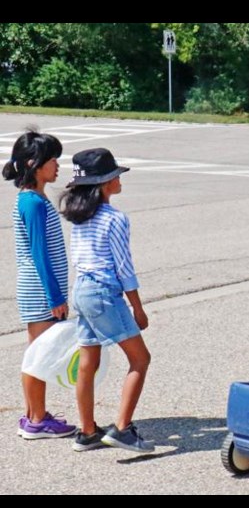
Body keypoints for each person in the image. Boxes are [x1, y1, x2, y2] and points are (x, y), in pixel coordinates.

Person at [60, 148, 154, 453]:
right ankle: (123, 429)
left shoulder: (79, 217)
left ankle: (87, 431)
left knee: (89, 360)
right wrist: (137, 307)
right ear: (103, 184)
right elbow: (124, 267)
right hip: (103, 292)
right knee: (140, 359)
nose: (118, 178)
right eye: (114, 174)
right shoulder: (114, 218)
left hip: (82, 291)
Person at [3, 131, 77, 439]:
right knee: (39, 355)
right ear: (33, 164)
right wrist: (56, 295)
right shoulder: (32, 202)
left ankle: (35, 414)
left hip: (41, 288)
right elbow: (39, 252)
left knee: (40, 353)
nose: (57, 165)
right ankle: (36, 419)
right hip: (39, 289)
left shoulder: (36, 197)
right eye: (51, 160)